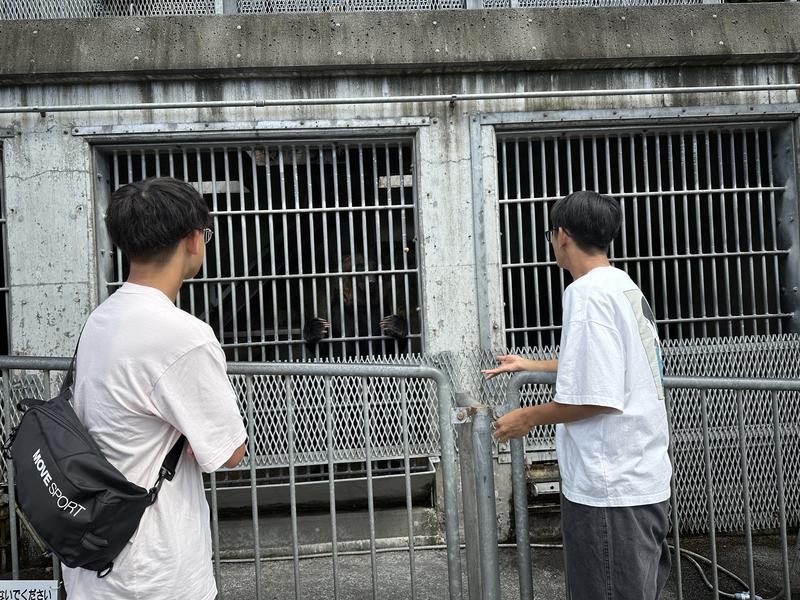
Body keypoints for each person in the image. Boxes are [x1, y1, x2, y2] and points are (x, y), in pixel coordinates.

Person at [62, 177, 247, 600]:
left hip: (94, 563)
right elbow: (229, 451)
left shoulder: (101, 318)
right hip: (155, 573)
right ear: (194, 240)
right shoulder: (184, 337)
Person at [482, 190, 672, 600]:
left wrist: (526, 418)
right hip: (642, 476)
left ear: (562, 235)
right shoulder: (622, 285)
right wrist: (532, 364)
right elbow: (610, 365)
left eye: (551, 234)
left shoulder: (586, 294)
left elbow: (599, 396)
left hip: (609, 487)